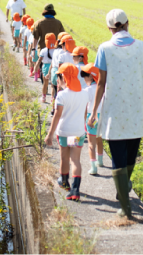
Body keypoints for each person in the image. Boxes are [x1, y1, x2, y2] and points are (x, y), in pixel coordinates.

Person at [90, 9, 143, 218]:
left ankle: (124, 205)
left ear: (109, 28)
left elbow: (101, 83)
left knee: (118, 158)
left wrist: (93, 111)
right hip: (137, 109)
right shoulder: (142, 46)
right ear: (128, 23)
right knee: (131, 154)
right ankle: (123, 193)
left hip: (114, 110)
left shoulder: (104, 48)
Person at [45, 63, 89, 201]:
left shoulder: (61, 96)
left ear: (63, 77)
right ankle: (75, 190)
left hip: (64, 132)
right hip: (77, 133)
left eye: (58, 76)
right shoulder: (84, 94)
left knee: (64, 158)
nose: (57, 79)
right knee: (75, 160)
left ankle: (64, 182)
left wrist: (49, 134)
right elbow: (84, 113)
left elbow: (57, 115)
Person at [81, 63, 104, 175]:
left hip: (92, 116)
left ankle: (93, 167)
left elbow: (85, 107)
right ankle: (100, 161)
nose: (83, 78)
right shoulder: (103, 88)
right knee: (99, 140)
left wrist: (84, 120)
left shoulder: (88, 90)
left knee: (91, 143)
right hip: (102, 116)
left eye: (84, 75)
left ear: (91, 76)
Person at [34, 33, 56, 102]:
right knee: (52, 85)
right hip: (53, 67)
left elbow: (39, 60)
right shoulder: (56, 50)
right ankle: (52, 98)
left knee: (45, 84)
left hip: (45, 67)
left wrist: (36, 67)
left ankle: (43, 97)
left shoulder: (43, 50)